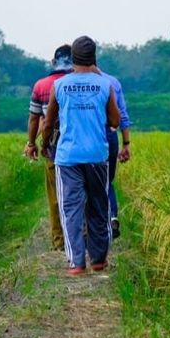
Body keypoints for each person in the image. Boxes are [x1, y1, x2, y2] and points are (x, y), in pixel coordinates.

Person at [41, 35, 120, 275]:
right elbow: (115, 120)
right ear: (94, 57)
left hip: (68, 157)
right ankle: (98, 259)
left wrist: (45, 144)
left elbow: (49, 122)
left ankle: (76, 263)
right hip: (97, 155)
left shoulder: (60, 86)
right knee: (99, 206)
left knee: (71, 209)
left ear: (73, 58)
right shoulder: (105, 85)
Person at [25, 44, 73, 251]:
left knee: (55, 197)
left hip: (53, 147)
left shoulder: (41, 86)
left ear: (54, 62)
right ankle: (82, 236)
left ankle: (59, 241)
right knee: (81, 195)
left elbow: (35, 119)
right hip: (79, 147)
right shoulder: (78, 83)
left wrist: (31, 144)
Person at [90, 64, 131, 238]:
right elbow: (122, 115)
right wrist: (126, 143)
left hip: (90, 135)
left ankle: (96, 224)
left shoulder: (73, 83)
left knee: (87, 181)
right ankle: (112, 216)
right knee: (107, 180)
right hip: (111, 135)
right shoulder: (112, 81)